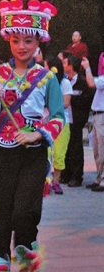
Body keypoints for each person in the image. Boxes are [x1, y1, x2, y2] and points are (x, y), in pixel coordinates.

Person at [0, 0, 64, 272]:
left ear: (38, 42)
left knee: (25, 212)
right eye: (16, 40)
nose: (22, 46)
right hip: (2, 149)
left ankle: (26, 257)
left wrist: (38, 134)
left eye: (28, 40)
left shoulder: (47, 78)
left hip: (32, 153)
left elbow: (58, 117)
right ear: (8, 41)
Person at [61, 52, 93, 187]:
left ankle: (76, 175)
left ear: (71, 65)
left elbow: (86, 100)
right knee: (65, 147)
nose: (62, 65)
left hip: (77, 119)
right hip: (65, 119)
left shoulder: (82, 81)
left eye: (64, 63)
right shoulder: (62, 80)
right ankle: (65, 173)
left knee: (76, 148)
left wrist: (71, 99)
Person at [44, 56, 72, 194]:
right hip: (45, 122)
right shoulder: (42, 82)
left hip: (62, 122)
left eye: (46, 66)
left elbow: (66, 103)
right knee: (46, 153)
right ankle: (46, 181)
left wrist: (52, 103)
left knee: (59, 154)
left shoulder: (65, 83)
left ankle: (56, 181)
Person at [82, 55, 104, 191]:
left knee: (102, 149)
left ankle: (103, 180)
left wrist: (87, 67)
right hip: (98, 115)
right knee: (97, 149)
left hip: (102, 115)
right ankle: (99, 177)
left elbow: (91, 83)